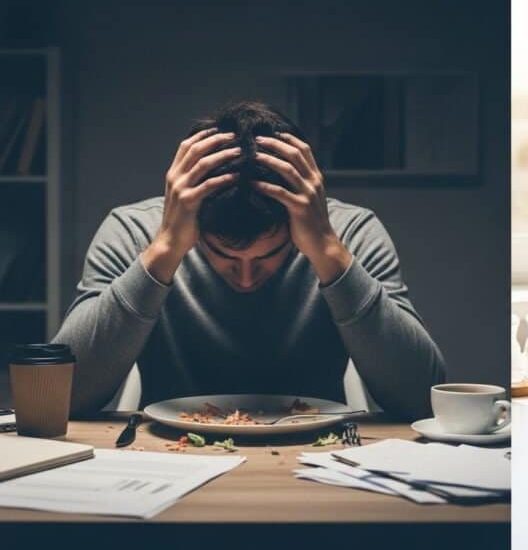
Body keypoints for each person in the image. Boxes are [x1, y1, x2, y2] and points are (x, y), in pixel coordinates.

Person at [55, 101, 446, 420]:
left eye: (269, 255)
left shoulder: (351, 233)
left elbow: (420, 399)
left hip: (313, 459)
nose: (245, 278)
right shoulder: (134, 232)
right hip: (170, 456)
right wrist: (166, 248)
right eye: (223, 256)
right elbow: (63, 397)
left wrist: (329, 253)